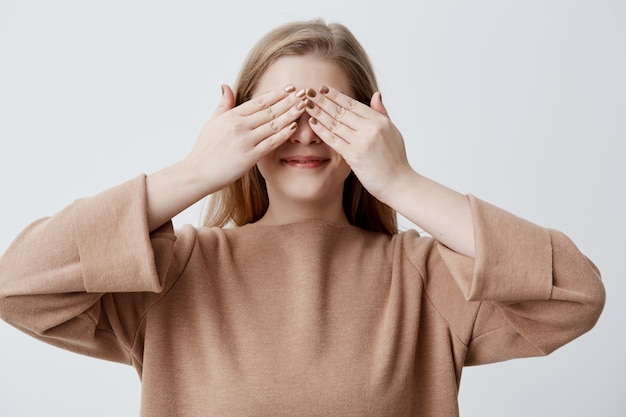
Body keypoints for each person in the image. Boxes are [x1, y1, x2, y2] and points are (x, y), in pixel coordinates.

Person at [0, 19, 605, 416]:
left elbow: (574, 293)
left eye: (331, 110)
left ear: (372, 122)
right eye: (280, 109)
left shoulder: (426, 278)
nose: (307, 131)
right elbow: (19, 286)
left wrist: (402, 181)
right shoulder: (177, 272)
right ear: (237, 122)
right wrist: (196, 171)